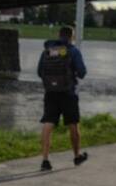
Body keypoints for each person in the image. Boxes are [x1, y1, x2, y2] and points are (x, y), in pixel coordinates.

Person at [37, 25, 89, 171]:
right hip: (69, 94)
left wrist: (52, 82)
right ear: (71, 36)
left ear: (58, 35)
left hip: (50, 93)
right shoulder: (73, 51)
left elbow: (40, 72)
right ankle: (77, 156)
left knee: (48, 124)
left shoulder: (48, 51)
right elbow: (82, 73)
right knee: (73, 124)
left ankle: (45, 160)